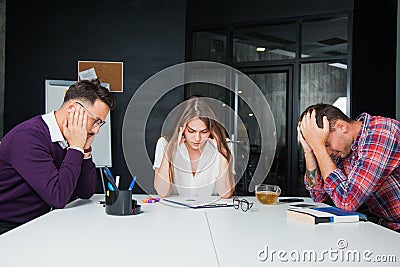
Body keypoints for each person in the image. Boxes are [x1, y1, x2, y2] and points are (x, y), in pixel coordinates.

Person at [0, 79, 115, 235]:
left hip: (40, 221)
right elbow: (58, 197)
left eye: (100, 124)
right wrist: (75, 148)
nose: (96, 130)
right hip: (9, 227)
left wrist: (85, 149)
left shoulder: (68, 138)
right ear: (73, 108)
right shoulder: (28, 137)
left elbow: (86, 192)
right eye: (95, 121)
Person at [297, 103, 400, 231]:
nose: (326, 152)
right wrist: (309, 152)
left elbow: (347, 201)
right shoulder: (343, 147)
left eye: (326, 143)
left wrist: (319, 148)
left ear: (342, 126)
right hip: (384, 227)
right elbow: (319, 198)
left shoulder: (382, 133)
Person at [153, 97, 235, 198]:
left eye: (204, 132)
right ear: (181, 128)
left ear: (212, 129)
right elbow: (162, 192)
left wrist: (222, 153)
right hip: (175, 212)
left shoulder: (225, 146)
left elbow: (226, 194)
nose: (197, 138)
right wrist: (169, 152)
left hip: (213, 211)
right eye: (191, 131)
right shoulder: (164, 144)